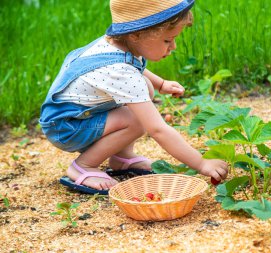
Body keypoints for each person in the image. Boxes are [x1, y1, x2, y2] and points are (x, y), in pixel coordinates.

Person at [39, 0, 228, 194]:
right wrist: (201, 163)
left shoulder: (117, 44)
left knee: (144, 90)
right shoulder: (119, 72)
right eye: (167, 40)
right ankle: (83, 166)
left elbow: (133, 66)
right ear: (136, 34)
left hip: (74, 116)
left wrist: (160, 83)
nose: (174, 47)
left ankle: (122, 157)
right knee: (138, 120)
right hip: (66, 127)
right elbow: (158, 130)